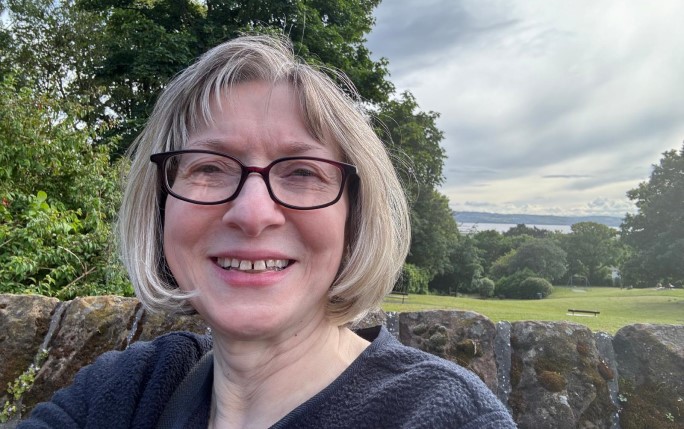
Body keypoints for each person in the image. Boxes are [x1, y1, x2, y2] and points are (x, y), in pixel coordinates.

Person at [20, 35, 516, 428]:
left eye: (302, 172)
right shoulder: (129, 391)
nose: (252, 214)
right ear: (161, 205)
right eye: (209, 167)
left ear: (354, 216)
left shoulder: (439, 416)